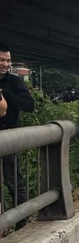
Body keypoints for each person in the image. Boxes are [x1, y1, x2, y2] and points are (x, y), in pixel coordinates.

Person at [0, 43, 35, 230]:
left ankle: (22, 222)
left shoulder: (14, 82)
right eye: (2, 60)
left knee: (13, 179)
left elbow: (29, 105)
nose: (5, 64)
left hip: (9, 138)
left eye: (8, 60)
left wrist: (5, 94)